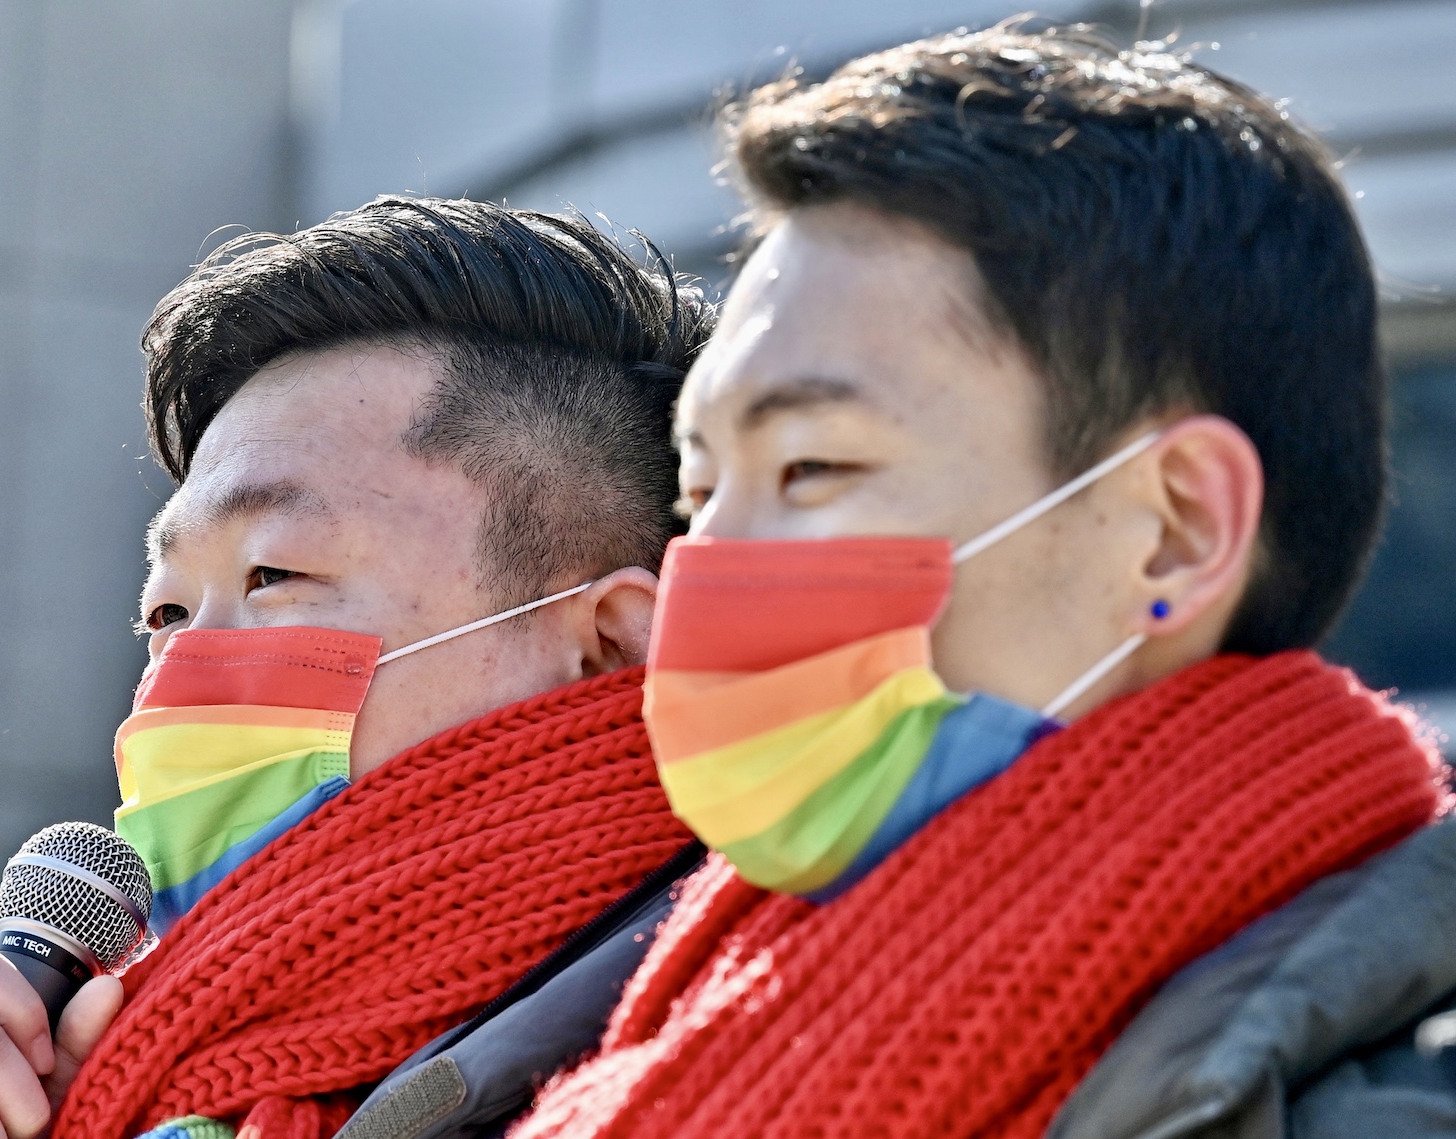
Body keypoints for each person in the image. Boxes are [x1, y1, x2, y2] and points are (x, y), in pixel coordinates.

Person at [501, 24, 1456, 1139]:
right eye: (699, 494)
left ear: (1174, 533)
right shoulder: (648, 1027)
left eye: (812, 466)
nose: (704, 570)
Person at [0, 198, 711, 1139]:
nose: (185, 668)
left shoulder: (741, 1053)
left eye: (274, 573)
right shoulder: (102, 1090)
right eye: (164, 610)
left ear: (611, 644)